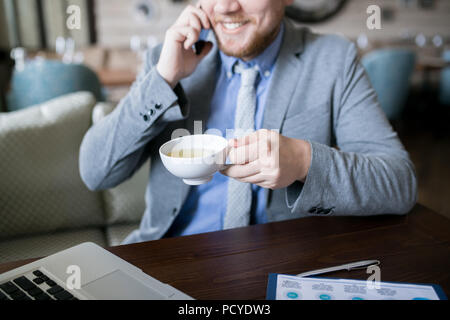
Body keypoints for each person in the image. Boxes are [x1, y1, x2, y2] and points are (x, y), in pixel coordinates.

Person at [79, 0, 417, 244]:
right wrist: (164, 78)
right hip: (170, 259)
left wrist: (303, 161)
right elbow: (96, 172)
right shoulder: (165, 60)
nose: (225, 6)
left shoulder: (333, 60)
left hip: (283, 268)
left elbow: (399, 185)